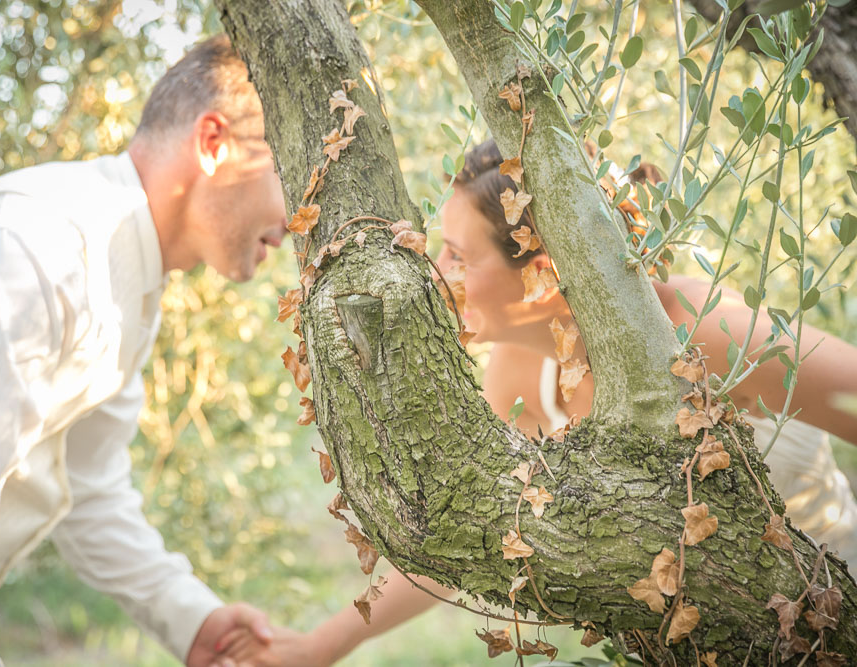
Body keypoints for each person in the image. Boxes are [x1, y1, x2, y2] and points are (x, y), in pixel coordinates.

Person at [218, 139, 857, 666]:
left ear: (543, 268)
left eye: (457, 254)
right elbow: (468, 534)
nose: (432, 270)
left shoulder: (694, 327)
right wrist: (317, 649)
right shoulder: (523, 367)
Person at [0, 35, 290, 666]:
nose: (302, 220)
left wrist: (189, 618)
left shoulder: (128, 283)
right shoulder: (34, 252)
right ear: (214, 144)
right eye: (291, 172)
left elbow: (88, 486)